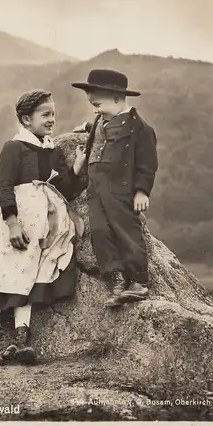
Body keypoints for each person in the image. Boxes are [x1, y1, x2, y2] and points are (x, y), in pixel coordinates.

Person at [0, 90, 86, 366]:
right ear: (25, 119)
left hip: (42, 225)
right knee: (4, 274)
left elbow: (61, 189)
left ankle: (21, 341)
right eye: (45, 114)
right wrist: (12, 223)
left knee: (29, 275)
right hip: (19, 222)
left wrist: (76, 169)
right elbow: (5, 186)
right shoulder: (14, 148)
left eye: (53, 114)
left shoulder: (51, 150)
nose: (51, 120)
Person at [72, 69, 158, 307]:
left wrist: (142, 191)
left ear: (118, 99)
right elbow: (102, 132)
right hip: (95, 188)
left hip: (120, 189)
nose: (95, 110)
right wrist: (87, 126)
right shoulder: (101, 120)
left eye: (98, 104)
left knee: (125, 231)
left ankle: (139, 282)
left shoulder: (140, 128)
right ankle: (116, 281)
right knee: (100, 232)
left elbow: (147, 164)